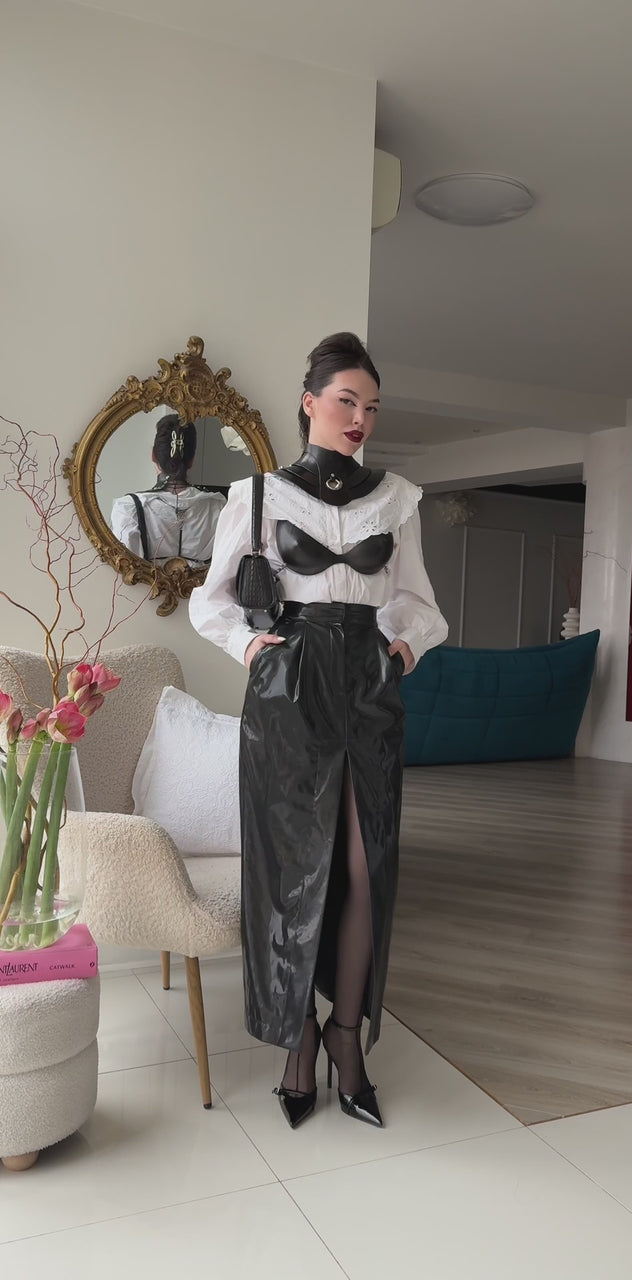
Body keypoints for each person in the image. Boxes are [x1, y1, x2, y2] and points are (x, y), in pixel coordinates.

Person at [189, 333, 448, 1129]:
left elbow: (419, 603)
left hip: (367, 686)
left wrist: (402, 646)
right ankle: (297, 1037)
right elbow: (211, 602)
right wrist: (250, 647)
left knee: (367, 868)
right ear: (310, 403)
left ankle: (345, 1035)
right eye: (346, 401)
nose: (360, 416)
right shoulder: (258, 495)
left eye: (372, 406)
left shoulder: (396, 499)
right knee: (293, 868)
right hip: (289, 686)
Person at [110, 414, 226, 566]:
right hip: (205, 582)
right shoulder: (219, 506)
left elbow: (125, 568)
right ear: (192, 460)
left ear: (153, 455)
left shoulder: (128, 508)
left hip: (147, 582)